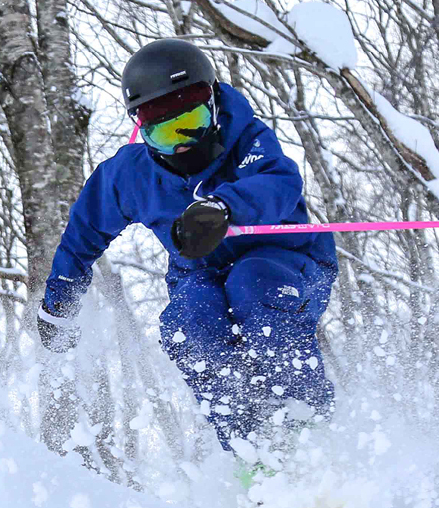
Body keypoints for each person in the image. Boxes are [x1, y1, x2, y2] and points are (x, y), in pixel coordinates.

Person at [36, 39, 337, 483]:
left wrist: (225, 206)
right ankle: (251, 456)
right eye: (163, 132)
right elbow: (83, 233)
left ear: (213, 104)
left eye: (191, 124)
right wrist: (61, 297)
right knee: (187, 321)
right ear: (142, 129)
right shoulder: (132, 174)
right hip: (201, 273)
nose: (180, 146)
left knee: (254, 285)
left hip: (289, 262)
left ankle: (309, 436)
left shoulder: (246, 137)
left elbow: (279, 181)